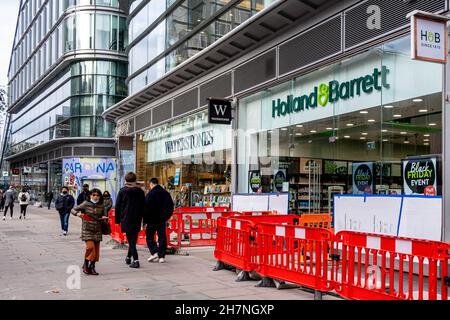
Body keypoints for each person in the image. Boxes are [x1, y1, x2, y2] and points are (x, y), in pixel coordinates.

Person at [71, 188, 108, 275]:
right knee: (90, 248)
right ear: (90, 195)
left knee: (96, 250)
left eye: (97, 195)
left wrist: (104, 218)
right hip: (87, 229)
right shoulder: (85, 203)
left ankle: (92, 267)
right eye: (93, 195)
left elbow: (104, 216)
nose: (95, 197)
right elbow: (73, 210)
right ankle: (85, 263)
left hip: (97, 229)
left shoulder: (102, 205)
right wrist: (77, 214)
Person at [115, 172, 146, 269]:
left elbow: (118, 207)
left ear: (126, 180)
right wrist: (144, 220)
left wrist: (117, 220)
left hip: (126, 218)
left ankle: (136, 260)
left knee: (131, 240)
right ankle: (128, 257)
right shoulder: (140, 191)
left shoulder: (122, 191)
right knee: (133, 239)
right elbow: (144, 207)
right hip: (137, 218)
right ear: (135, 180)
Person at [144, 178, 174, 264]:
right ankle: (162, 256)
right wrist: (166, 217)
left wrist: (145, 220)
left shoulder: (150, 194)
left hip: (151, 219)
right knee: (162, 237)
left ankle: (154, 252)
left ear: (152, 184)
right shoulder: (165, 193)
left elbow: (146, 208)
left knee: (149, 236)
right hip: (162, 220)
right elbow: (170, 206)